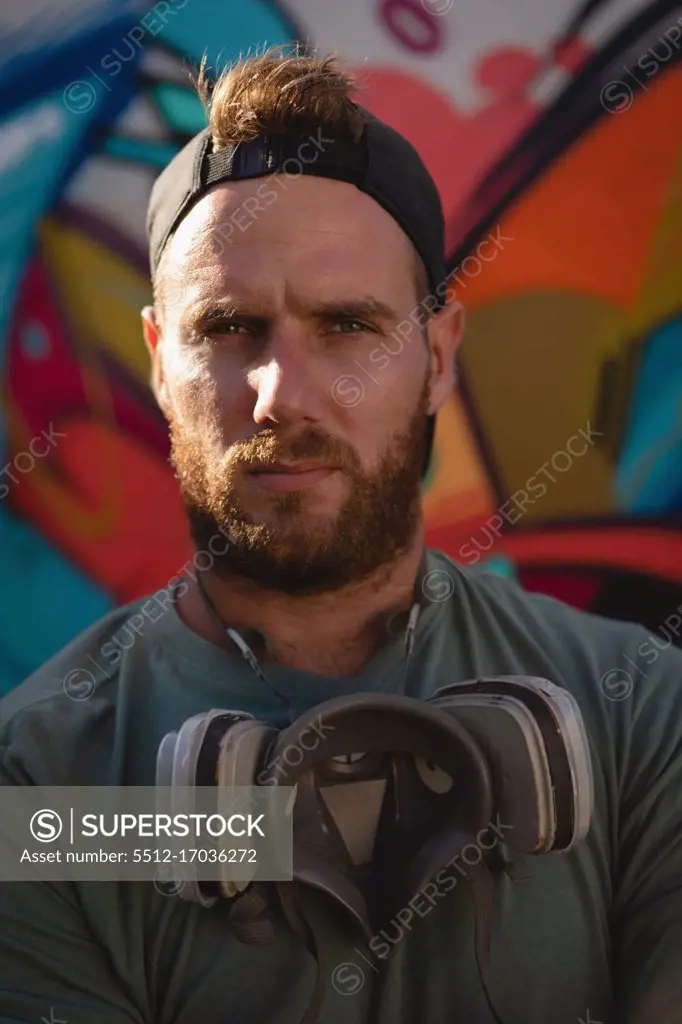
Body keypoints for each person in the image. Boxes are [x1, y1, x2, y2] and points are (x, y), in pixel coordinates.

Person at [1, 49, 681, 1024]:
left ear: (437, 358)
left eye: (347, 327)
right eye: (231, 327)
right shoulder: (35, 788)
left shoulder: (643, 719)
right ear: (159, 360)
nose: (282, 394)